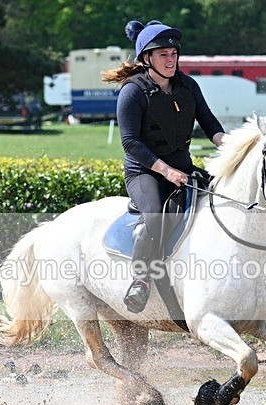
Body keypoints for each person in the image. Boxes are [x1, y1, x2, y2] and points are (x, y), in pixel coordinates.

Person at [102, 20, 226, 313]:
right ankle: (141, 280)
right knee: (156, 216)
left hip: (184, 170)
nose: (171, 61)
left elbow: (210, 124)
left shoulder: (188, 86)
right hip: (144, 173)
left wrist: (236, 149)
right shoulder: (133, 92)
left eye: (173, 54)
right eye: (163, 55)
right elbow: (130, 143)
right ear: (147, 59)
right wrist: (166, 171)